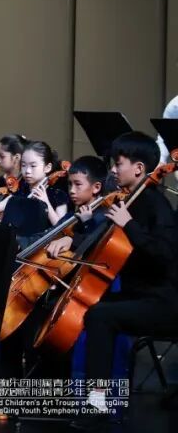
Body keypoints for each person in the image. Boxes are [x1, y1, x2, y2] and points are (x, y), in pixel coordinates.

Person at [46, 133, 178, 428]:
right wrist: (73, 240)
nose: (113, 171)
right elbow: (103, 241)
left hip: (163, 301)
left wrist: (129, 225)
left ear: (139, 169)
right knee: (90, 309)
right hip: (139, 295)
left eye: (118, 164)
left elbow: (165, 255)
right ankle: (76, 396)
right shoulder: (127, 201)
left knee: (101, 316)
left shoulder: (155, 205)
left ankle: (98, 405)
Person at [0, 140, 69, 248]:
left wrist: (46, 203)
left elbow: (62, 230)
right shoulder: (21, 190)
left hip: (39, 250)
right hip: (14, 247)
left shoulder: (58, 195)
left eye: (33, 166)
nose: (27, 171)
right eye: (23, 165)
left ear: (47, 167)